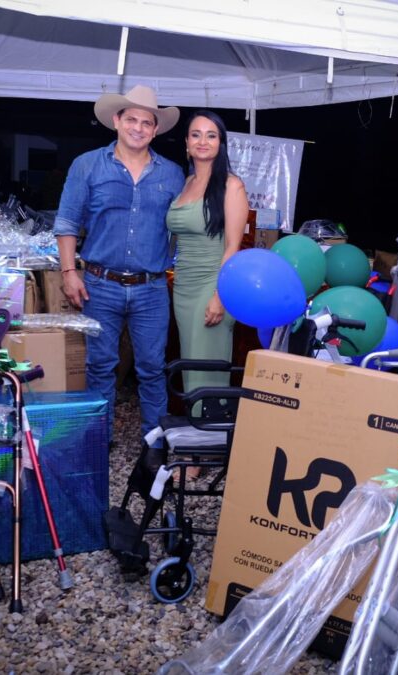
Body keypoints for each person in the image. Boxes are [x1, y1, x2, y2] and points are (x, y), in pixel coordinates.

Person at [54, 85, 184, 447]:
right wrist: (69, 272)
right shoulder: (87, 165)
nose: (139, 128)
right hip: (99, 284)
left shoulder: (172, 174)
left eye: (147, 122)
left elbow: (182, 228)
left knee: (152, 369)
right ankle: (99, 439)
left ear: (155, 130)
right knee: (100, 366)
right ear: (117, 121)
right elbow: (66, 222)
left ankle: (155, 442)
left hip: (152, 287)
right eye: (132, 120)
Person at [167, 111, 249, 477]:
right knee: (192, 367)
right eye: (196, 135)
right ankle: (204, 444)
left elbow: (233, 246)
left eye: (211, 135)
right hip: (182, 285)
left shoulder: (231, 186)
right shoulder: (185, 184)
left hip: (213, 286)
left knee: (206, 369)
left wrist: (219, 295)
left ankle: (203, 455)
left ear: (221, 144)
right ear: (186, 143)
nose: (203, 141)